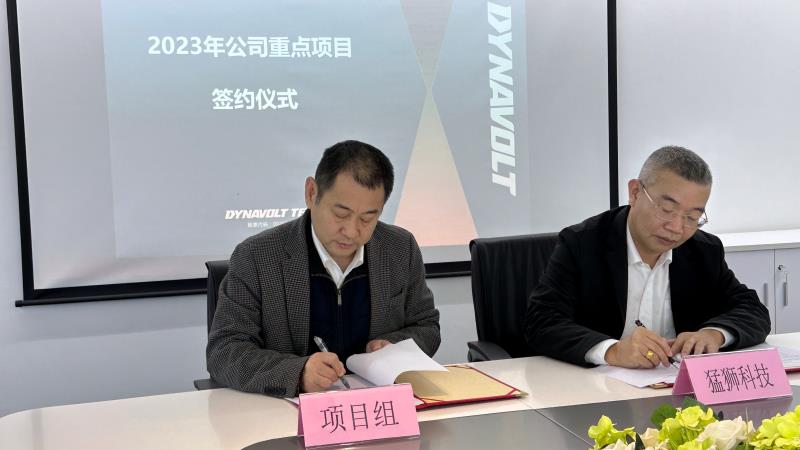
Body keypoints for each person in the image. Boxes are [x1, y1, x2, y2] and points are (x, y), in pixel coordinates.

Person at [207, 140, 440, 397]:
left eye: (367, 218)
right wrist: (298, 373)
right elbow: (225, 351)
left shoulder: (399, 248)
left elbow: (426, 326)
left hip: (376, 405)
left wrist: (393, 346)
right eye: (341, 214)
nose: (351, 231)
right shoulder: (257, 257)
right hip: (288, 410)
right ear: (311, 193)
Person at [525, 146, 770, 369]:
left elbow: (752, 310)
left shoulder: (704, 250)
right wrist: (612, 350)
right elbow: (542, 321)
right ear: (635, 193)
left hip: (676, 388)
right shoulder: (582, 243)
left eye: (692, 217)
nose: (676, 227)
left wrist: (714, 334)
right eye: (666, 209)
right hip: (597, 388)